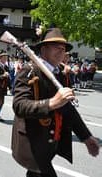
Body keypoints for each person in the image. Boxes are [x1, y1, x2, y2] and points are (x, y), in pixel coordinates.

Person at [11, 28, 100, 177]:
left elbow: (68, 108)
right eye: (56, 47)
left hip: (51, 142)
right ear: (43, 49)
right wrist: (52, 103)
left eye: (63, 48)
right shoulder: (30, 71)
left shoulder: (59, 72)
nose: (61, 51)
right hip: (33, 143)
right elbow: (19, 105)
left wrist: (86, 137)